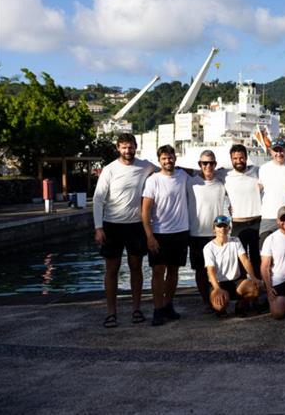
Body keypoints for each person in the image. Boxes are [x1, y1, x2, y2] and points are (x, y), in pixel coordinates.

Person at [92, 133, 155, 328]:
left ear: (136, 147)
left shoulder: (145, 166)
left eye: (131, 147)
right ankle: (111, 312)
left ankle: (137, 309)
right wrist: (98, 227)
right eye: (124, 147)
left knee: (136, 267)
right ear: (118, 148)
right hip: (112, 225)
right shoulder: (110, 170)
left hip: (136, 226)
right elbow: (98, 199)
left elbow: (168, 170)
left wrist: (198, 172)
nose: (127, 151)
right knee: (111, 270)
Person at [141, 145, 190, 326]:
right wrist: (149, 236)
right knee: (158, 272)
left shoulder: (183, 176)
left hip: (180, 232)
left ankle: (168, 305)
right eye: (164, 158)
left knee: (174, 271)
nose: (168, 161)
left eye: (170, 157)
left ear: (175, 158)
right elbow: (145, 212)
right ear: (159, 160)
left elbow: (200, 174)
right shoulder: (153, 180)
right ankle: (157, 308)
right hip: (160, 233)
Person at [187, 149, 227, 313]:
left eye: (211, 163)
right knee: (200, 271)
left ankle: (218, 298)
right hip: (196, 234)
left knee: (217, 269)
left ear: (215, 164)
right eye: (204, 163)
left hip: (216, 234)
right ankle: (206, 301)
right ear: (199, 165)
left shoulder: (221, 183)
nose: (208, 166)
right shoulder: (191, 182)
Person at [204, 215, 261, 318]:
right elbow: (210, 271)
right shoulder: (208, 248)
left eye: (225, 226)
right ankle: (221, 309)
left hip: (236, 281)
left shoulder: (235, 241)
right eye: (219, 226)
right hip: (219, 283)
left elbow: (245, 260)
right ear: (214, 230)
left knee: (255, 290)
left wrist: (253, 277)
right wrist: (217, 288)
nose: (222, 229)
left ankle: (239, 306)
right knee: (219, 306)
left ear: (229, 228)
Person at [223, 144, 263, 279]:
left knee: (257, 258)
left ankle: (258, 287)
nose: (238, 161)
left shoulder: (257, 171)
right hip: (238, 223)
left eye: (241, 158)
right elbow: (202, 172)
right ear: (231, 159)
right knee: (239, 259)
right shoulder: (226, 176)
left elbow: (276, 168)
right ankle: (243, 289)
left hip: (257, 221)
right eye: (235, 158)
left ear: (246, 158)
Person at [258, 139, 285, 248]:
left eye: (281, 150)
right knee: (264, 252)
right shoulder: (263, 169)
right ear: (271, 151)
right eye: (276, 151)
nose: (279, 154)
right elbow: (257, 188)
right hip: (268, 217)